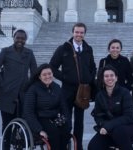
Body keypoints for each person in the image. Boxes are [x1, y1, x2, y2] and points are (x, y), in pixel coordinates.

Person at [49, 22, 96, 150]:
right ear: (72, 32)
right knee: (66, 120)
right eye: (77, 32)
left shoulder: (88, 49)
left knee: (79, 122)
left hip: (83, 91)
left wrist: (89, 79)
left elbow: (93, 67)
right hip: (67, 90)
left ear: (84, 34)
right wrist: (65, 78)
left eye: (81, 32)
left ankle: (78, 146)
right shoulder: (63, 48)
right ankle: (64, 145)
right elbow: (52, 66)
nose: (79, 35)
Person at [0, 29, 37, 149]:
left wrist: (31, 88)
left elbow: (34, 73)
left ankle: (20, 146)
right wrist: (2, 84)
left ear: (25, 40)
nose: (20, 40)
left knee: (22, 124)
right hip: (7, 94)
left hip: (23, 94)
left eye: (23, 38)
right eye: (18, 38)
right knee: (7, 124)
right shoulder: (6, 51)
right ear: (14, 37)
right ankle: (5, 146)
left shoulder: (29, 53)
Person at [88, 65, 133, 150]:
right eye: (106, 76)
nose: (109, 78)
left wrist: (108, 126)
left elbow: (128, 117)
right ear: (103, 79)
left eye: (112, 75)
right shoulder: (99, 96)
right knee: (93, 146)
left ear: (116, 78)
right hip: (109, 130)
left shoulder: (125, 93)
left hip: (129, 128)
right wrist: (103, 125)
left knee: (118, 132)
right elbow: (98, 116)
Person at [23, 63, 71, 150]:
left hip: (55, 117)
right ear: (39, 77)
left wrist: (67, 122)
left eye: (49, 74)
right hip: (40, 118)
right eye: (44, 75)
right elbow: (28, 112)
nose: (47, 76)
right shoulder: (33, 89)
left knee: (66, 131)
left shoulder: (57, 87)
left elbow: (64, 107)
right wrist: (39, 130)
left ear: (53, 74)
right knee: (54, 133)